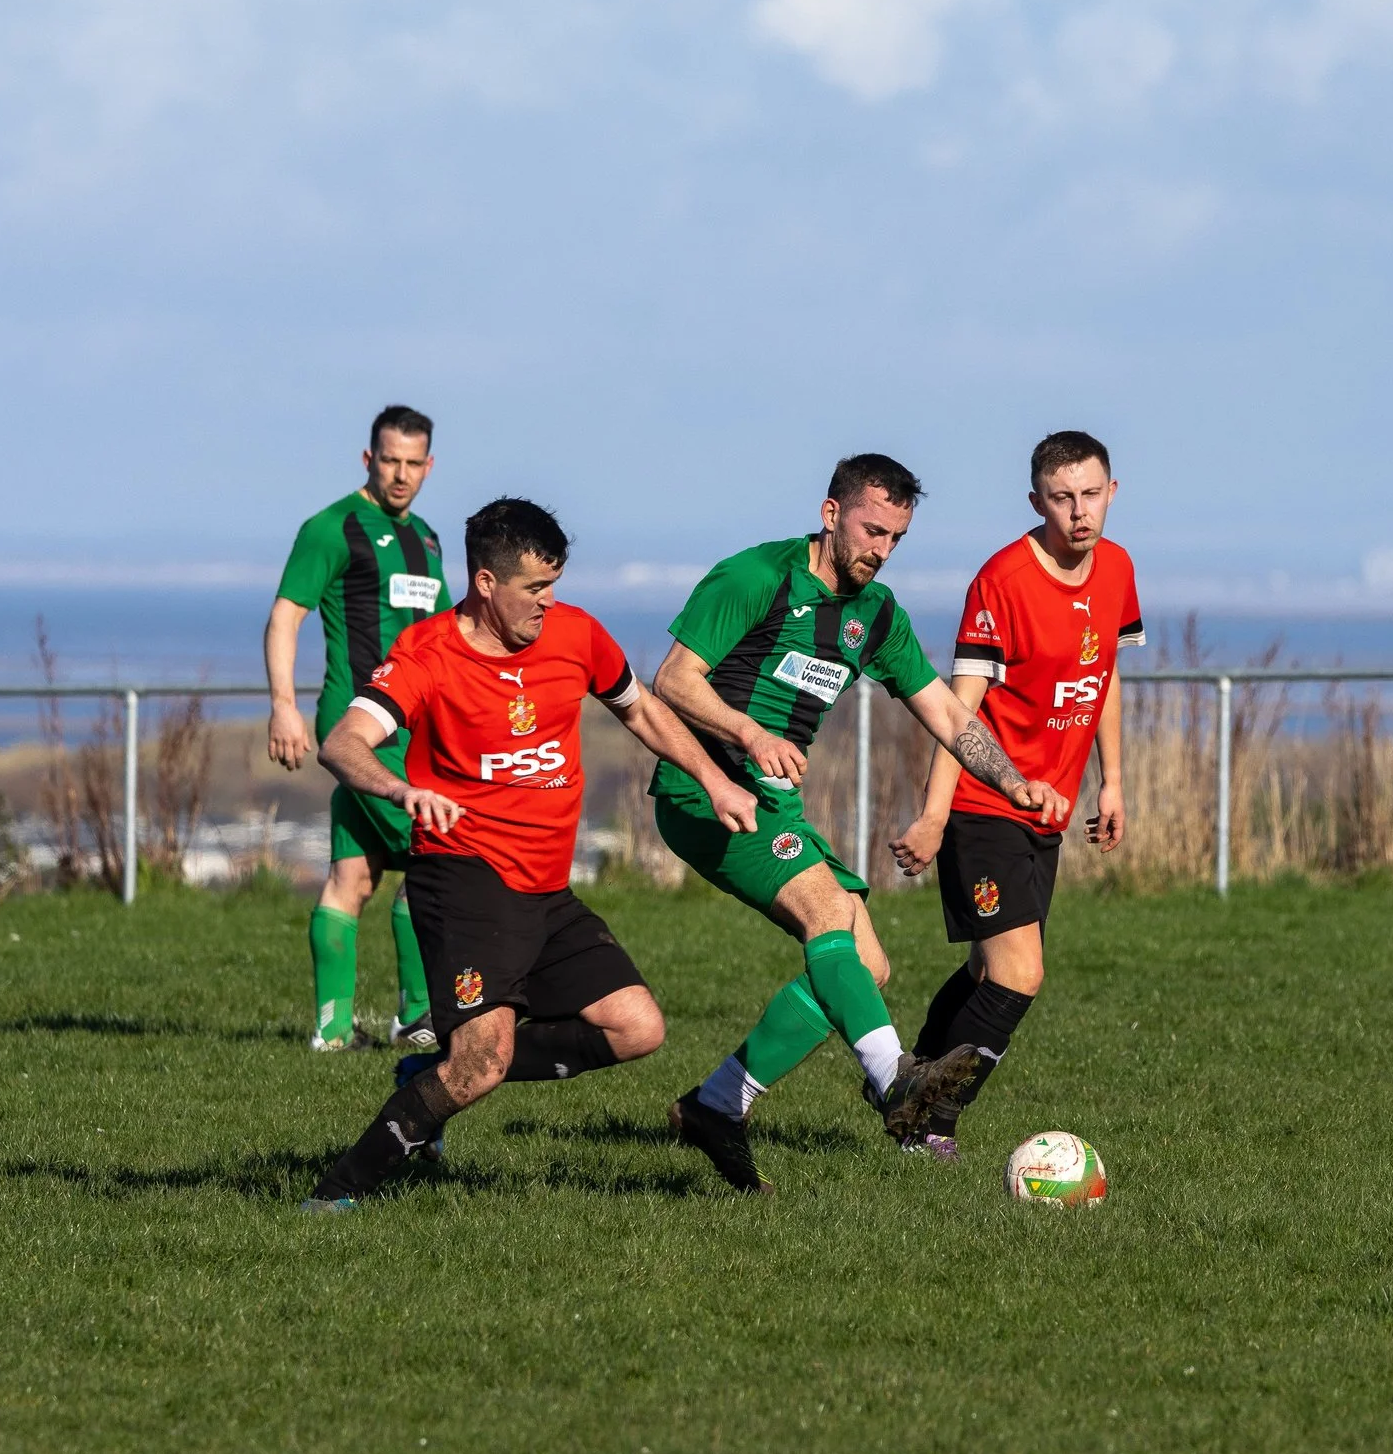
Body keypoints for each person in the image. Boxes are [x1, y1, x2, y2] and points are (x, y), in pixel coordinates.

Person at [302, 498, 758, 1210]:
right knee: (481, 1064)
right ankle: (334, 1194)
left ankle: (433, 1069)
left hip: (546, 888)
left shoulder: (576, 635)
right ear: (486, 583)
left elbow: (640, 709)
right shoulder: (428, 654)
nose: (550, 603)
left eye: (555, 585)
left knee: (638, 1028)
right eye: (534, 589)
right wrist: (401, 790)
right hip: (464, 875)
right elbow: (342, 743)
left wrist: (714, 779)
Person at [647, 453, 1072, 1194]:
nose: (880, 550)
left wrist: (1012, 780)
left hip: (774, 804)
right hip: (704, 790)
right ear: (830, 512)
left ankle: (716, 1105)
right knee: (827, 914)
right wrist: (750, 737)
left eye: (896, 538)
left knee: (865, 970)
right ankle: (896, 1083)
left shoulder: (877, 615)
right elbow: (672, 680)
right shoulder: (756, 578)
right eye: (872, 530)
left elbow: (944, 710)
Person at [886, 430, 1143, 1159]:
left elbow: (1104, 680)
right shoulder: (1002, 580)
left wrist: (1113, 781)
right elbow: (958, 712)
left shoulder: (1118, 569)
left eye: (1091, 494)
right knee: (1018, 973)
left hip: (1048, 813)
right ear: (1037, 501)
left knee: (982, 972)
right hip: (981, 807)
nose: (1079, 512)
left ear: (1112, 493)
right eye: (1061, 498)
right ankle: (928, 1121)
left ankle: (902, 1083)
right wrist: (935, 815)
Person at [265, 406, 452, 1051]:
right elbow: (286, 614)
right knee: (439, 856)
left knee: (355, 876)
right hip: (363, 729)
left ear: (429, 466)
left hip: (416, 729)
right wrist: (284, 704)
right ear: (367, 459)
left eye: (413, 464)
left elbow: (445, 636)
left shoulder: (426, 538)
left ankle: (333, 1032)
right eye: (389, 460)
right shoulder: (332, 528)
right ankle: (421, 1015)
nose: (400, 475)